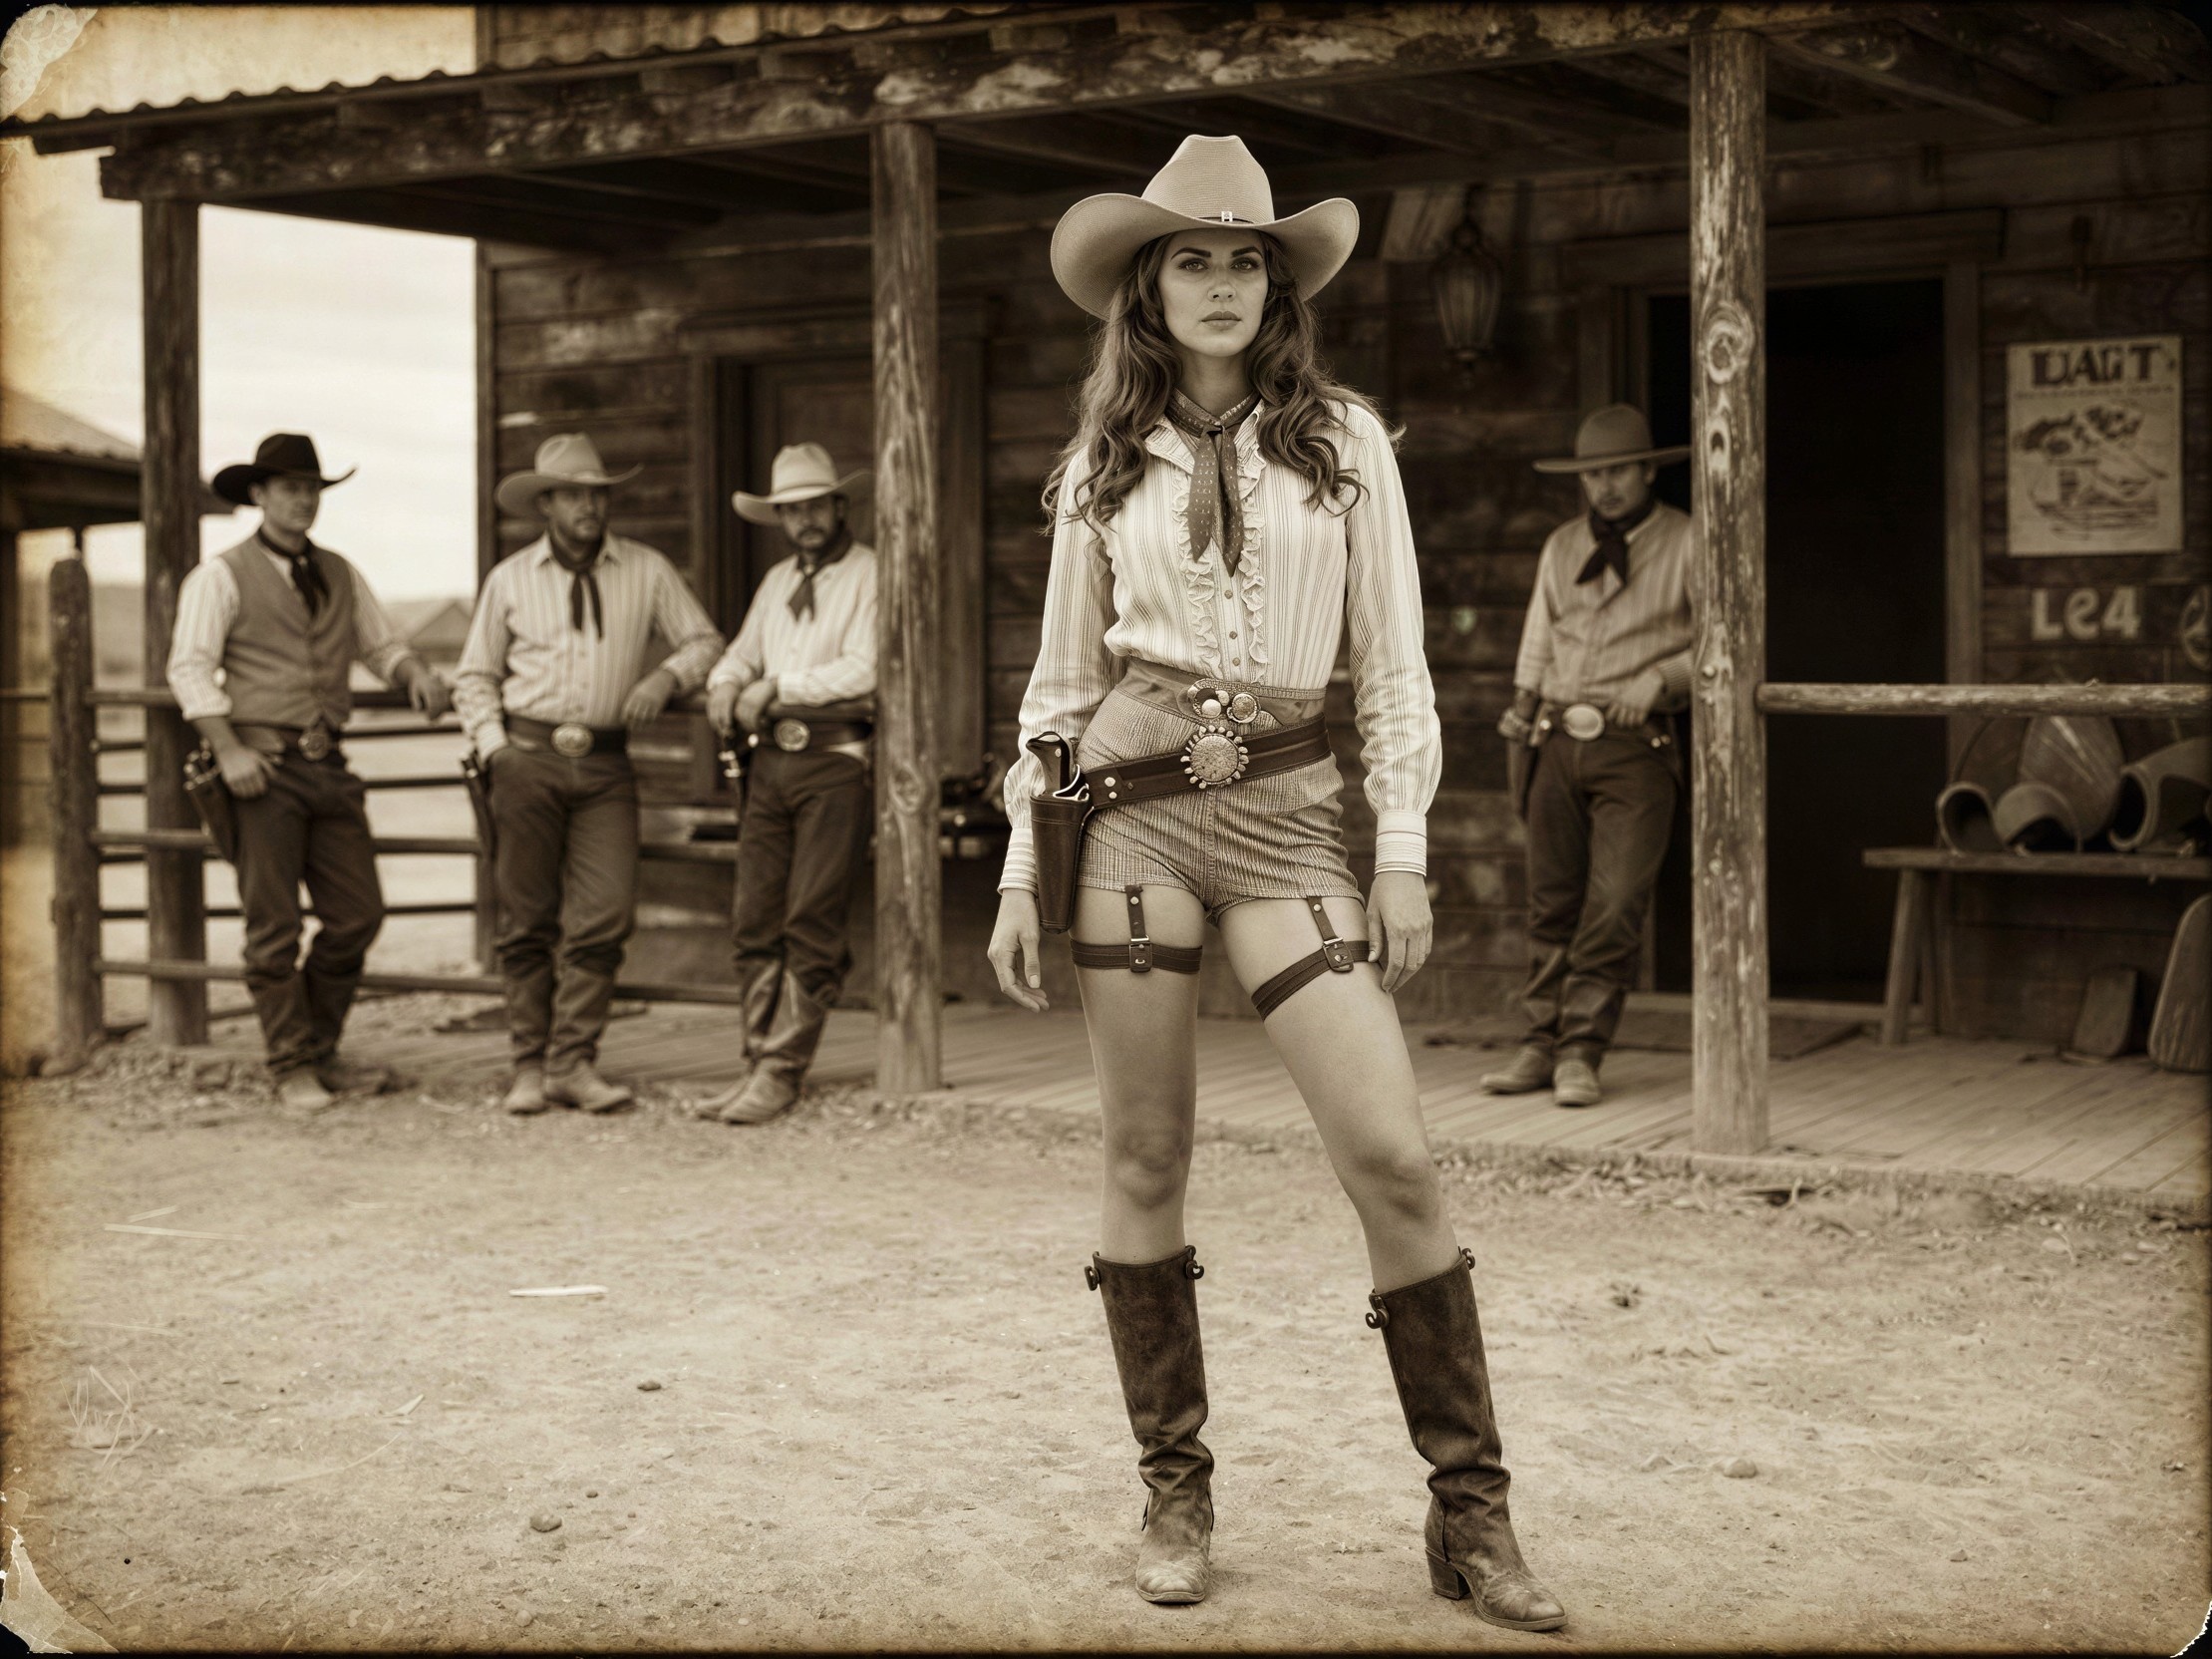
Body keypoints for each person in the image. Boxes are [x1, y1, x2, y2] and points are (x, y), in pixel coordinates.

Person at [987, 136, 1565, 1632]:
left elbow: (1394, 664)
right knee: (1143, 1158)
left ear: (1275, 284)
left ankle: (1470, 1516)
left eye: (1244, 259)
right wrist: (1009, 866)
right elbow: (1056, 696)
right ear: (1147, 283)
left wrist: (1403, 850)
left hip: (1293, 824)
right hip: (1131, 819)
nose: (1221, 283)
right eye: (1192, 257)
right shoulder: (1095, 471)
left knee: (1392, 1159)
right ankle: (1172, 1489)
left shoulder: (1347, 443)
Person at [168, 432, 453, 1113]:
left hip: (329, 764)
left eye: (311, 488)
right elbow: (187, 667)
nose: (302, 500)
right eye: (288, 488)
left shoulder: (340, 572)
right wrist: (229, 748)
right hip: (260, 766)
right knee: (273, 926)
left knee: (357, 914)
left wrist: (415, 673)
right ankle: (292, 1064)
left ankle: (319, 1050)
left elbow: (380, 645)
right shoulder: (221, 575)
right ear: (259, 495)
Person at [456, 433, 723, 1116]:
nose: (588, 506)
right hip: (526, 759)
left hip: (605, 764)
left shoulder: (646, 569)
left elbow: (703, 640)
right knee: (526, 918)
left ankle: (573, 1062)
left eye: (597, 494)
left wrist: (665, 676)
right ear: (546, 503)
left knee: (604, 916)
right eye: (573, 494)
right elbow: (476, 677)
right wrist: (496, 751)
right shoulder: (510, 579)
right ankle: (525, 1067)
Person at [1482, 404, 1695, 1110]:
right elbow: (1540, 634)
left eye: (1616, 471)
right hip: (1553, 740)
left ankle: (1582, 1051)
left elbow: (1728, 641)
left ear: (1645, 472)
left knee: (1613, 904)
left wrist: (1660, 679)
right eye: (1593, 474)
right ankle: (1538, 1043)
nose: (1603, 486)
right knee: (1551, 903)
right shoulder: (1562, 546)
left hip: (1635, 745)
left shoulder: (1689, 543)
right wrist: (1523, 701)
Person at [692, 443, 878, 1125]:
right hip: (771, 764)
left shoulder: (869, 576)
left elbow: (866, 668)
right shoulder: (775, 583)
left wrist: (777, 686)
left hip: (835, 763)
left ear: (838, 505)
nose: (802, 520)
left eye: (812, 506)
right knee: (755, 915)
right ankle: (754, 1059)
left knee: (811, 916)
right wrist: (727, 682)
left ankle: (783, 1068)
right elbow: (741, 652)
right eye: (789, 511)